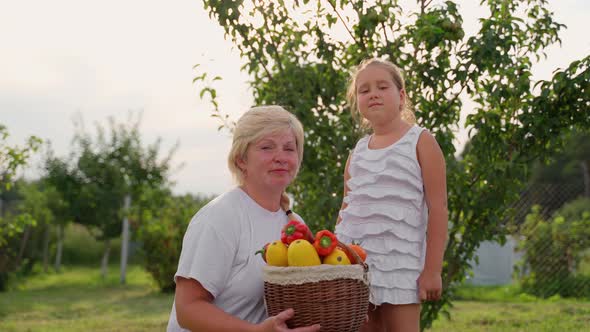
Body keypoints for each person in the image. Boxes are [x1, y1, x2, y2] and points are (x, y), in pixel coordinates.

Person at [167, 105, 321, 332]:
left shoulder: (293, 224)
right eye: (267, 147)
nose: (280, 157)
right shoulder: (220, 217)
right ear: (241, 159)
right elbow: (188, 310)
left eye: (289, 148)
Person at [335, 58, 448, 332]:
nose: (372, 93)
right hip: (357, 268)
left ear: (401, 96)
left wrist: (432, 270)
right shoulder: (358, 153)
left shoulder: (420, 141)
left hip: (402, 269)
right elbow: (347, 210)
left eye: (382, 86)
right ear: (357, 102)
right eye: (364, 90)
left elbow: (438, 208)